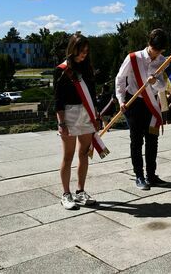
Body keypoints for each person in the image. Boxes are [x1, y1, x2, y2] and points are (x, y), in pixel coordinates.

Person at [116, 29, 168, 190]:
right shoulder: (133, 58)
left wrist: (155, 82)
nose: (155, 54)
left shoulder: (163, 60)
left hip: (152, 105)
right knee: (136, 141)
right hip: (134, 104)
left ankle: (151, 175)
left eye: (159, 51)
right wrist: (120, 100)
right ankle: (139, 176)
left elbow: (164, 85)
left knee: (153, 140)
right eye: (154, 50)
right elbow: (119, 78)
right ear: (149, 44)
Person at [54, 32, 98, 210]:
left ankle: (80, 191)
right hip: (69, 114)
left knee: (84, 153)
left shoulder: (88, 68)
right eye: (80, 51)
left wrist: (96, 116)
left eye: (86, 51)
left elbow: (93, 96)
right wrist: (61, 122)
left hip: (86, 114)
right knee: (68, 156)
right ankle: (66, 194)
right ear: (72, 49)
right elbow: (58, 101)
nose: (83, 54)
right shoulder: (61, 70)